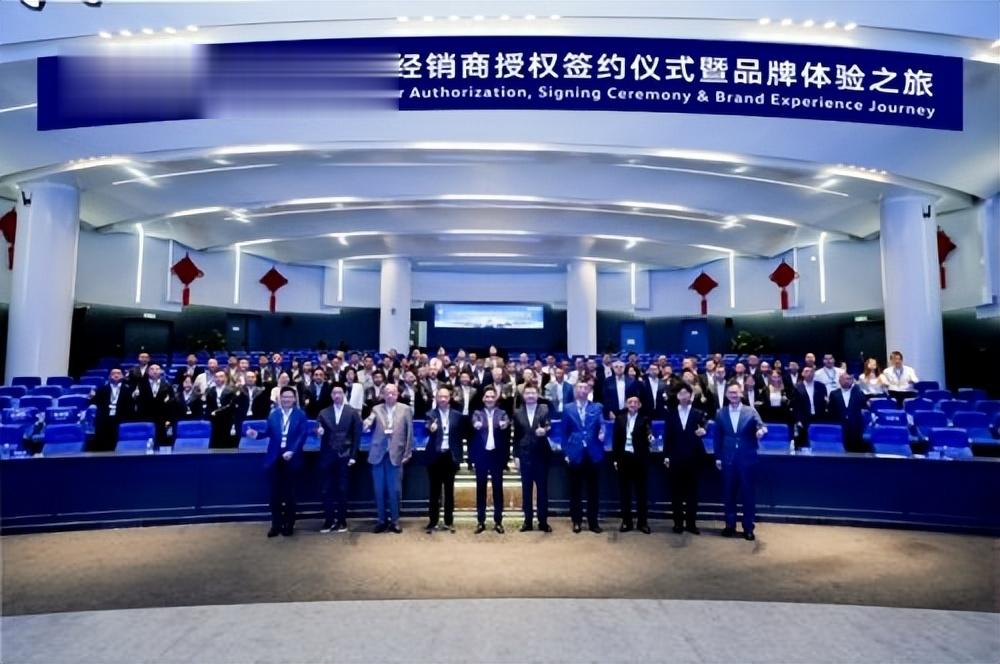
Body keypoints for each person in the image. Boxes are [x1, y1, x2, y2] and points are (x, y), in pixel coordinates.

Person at [247, 387, 308, 537]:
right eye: (284, 397)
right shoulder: (273, 415)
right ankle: (276, 524)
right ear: (280, 399)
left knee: (289, 494)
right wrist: (256, 435)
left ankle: (289, 524)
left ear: (294, 399)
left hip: (292, 458)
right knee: (275, 495)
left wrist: (292, 451)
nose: (286, 399)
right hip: (274, 458)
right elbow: (268, 433)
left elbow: (302, 435)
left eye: (289, 397)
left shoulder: (300, 415)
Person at [714, 383, 767, 541]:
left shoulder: (751, 411)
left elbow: (762, 426)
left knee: (748, 494)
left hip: (747, 458)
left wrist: (761, 431)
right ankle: (730, 525)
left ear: (741, 394)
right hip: (727, 458)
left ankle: (748, 527)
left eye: (736, 392)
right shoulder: (720, 413)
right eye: (730, 392)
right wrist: (718, 457)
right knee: (728, 493)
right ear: (726, 395)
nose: (733, 395)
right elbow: (717, 437)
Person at [363, 384, 413, 533]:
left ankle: (395, 521)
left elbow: (409, 433)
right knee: (379, 490)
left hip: (396, 455)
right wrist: (366, 424)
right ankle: (381, 520)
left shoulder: (405, 409)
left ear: (397, 394)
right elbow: (369, 421)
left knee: (395, 490)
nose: (390, 395)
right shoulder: (376, 409)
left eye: (393, 392)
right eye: (387, 393)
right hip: (378, 454)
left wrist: (407, 453)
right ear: (383, 395)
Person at [316, 384, 362, 533]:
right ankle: (328, 520)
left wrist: (354, 455)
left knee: (343, 489)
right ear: (331, 395)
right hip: (327, 455)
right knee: (325, 489)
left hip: (345, 455)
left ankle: (342, 520)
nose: (337, 395)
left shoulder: (352, 412)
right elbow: (317, 428)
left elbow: (357, 436)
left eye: (340, 393)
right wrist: (318, 431)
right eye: (334, 393)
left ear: (344, 394)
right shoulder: (323, 412)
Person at [562, 381, 606, 534]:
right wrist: (566, 453)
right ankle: (576, 521)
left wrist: (602, 432)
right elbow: (564, 433)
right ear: (575, 390)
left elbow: (602, 424)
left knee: (593, 490)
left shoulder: (597, 407)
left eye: (585, 388)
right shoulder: (568, 408)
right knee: (575, 490)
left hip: (593, 453)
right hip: (575, 453)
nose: (582, 390)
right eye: (579, 387)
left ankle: (593, 522)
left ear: (589, 390)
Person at [664, 384, 708, 534]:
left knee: (692, 493)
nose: (683, 396)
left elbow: (705, 427)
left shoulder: (698, 413)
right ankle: (678, 523)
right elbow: (667, 436)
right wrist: (666, 456)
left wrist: (704, 430)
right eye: (680, 394)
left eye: (686, 393)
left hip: (693, 457)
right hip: (675, 457)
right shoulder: (670, 413)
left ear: (691, 395)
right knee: (676, 492)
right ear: (677, 396)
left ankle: (691, 524)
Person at [470, 386, 510, 534]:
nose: (490, 399)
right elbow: (474, 423)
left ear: (496, 398)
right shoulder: (477, 413)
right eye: (487, 396)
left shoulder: (502, 413)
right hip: (481, 456)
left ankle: (498, 521)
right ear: (483, 398)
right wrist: (476, 425)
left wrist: (505, 425)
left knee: (497, 489)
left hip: (496, 456)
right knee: (481, 489)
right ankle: (480, 521)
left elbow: (506, 422)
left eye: (492, 397)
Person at [512, 385, 552, 532]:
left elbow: (550, 426)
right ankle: (527, 521)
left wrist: (545, 430)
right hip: (525, 455)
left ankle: (543, 521)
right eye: (527, 393)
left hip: (541, 455)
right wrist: (516, 456)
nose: (530, 395)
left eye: (533, 393)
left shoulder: (545, 409)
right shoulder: (517, 413)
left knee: (542, 491)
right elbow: (516, 437)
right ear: (523, 396)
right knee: (526, 490)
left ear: (538, 395)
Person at [424, 387, 464, 533]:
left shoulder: (457, 416)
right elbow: (426, 427)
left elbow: (460, 436)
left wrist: (459, 456)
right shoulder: (430, 414)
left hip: (450, 456)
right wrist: (430, 428)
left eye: (445, 397)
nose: (442, 399)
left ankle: (449, 521)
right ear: (436, 398)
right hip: (435, 457)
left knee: (449, 491)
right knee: (434, 492)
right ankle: (433, 521)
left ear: (449, 398)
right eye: (440, 396)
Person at [612, 395, 652, 533]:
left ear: (639, 405)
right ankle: (626, 522)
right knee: (625, 492)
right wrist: (615, 459)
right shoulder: (620, 419)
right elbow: (616, 440)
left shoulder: (645, 419)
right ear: (626, 404)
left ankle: (642, 523)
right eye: (630, 402)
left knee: (641, 492)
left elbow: (648, 432)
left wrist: (650, 437)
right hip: (624, 458)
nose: (633, 404)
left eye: (636, 402)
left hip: (639, 459)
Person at [90, 367, 134, 452]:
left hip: (121, 419)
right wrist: (91, 397)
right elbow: (94, 403)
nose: (116, 375)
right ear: (109, 376)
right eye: (113, 373)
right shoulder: (101, 389)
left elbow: (130, 407)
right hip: (104, 420)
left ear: (123, 376)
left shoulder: (128, 389)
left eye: (118, 373)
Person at [133, 363, 176, 446]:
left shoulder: (167, 385)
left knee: (162, 442)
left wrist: (169, 419)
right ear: (148, 371)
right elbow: (138, 401)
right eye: (152, 369)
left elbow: (172, 402)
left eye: (157, 369)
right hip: (145, 417)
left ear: (161, 371)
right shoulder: (141, 385)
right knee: (146, 442)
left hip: (162, 418)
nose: (155, 371)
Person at [827, 372, 867, 453]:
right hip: (839, 425)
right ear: (840, 380)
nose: (847, 381)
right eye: (846, 379)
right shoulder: (834, 394)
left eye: (850, 379)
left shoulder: (859, 393)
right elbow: (831, 410)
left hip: (855, 427)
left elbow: (863, 408)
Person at [792, 366, 827, 449]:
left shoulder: (821, 386)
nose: (809, 373)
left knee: (819, 439)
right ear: (802, 374)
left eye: (811, 372)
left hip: (819, 417)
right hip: (804, 418)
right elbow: (795, 406)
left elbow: (824, 402)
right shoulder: (797, 387)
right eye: (806, 371)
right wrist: (798, 420)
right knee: (804, 442)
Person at [205, 370, 237, 448]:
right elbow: (208, 406)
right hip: (214, 421)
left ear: (226, 378)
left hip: (227, 420)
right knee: (214, 444)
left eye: (221, 376)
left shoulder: (232, 390)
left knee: (227, 445)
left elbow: (230, 406)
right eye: (216, 377)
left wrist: (216, 412)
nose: (218, 379)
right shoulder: (209, 391)